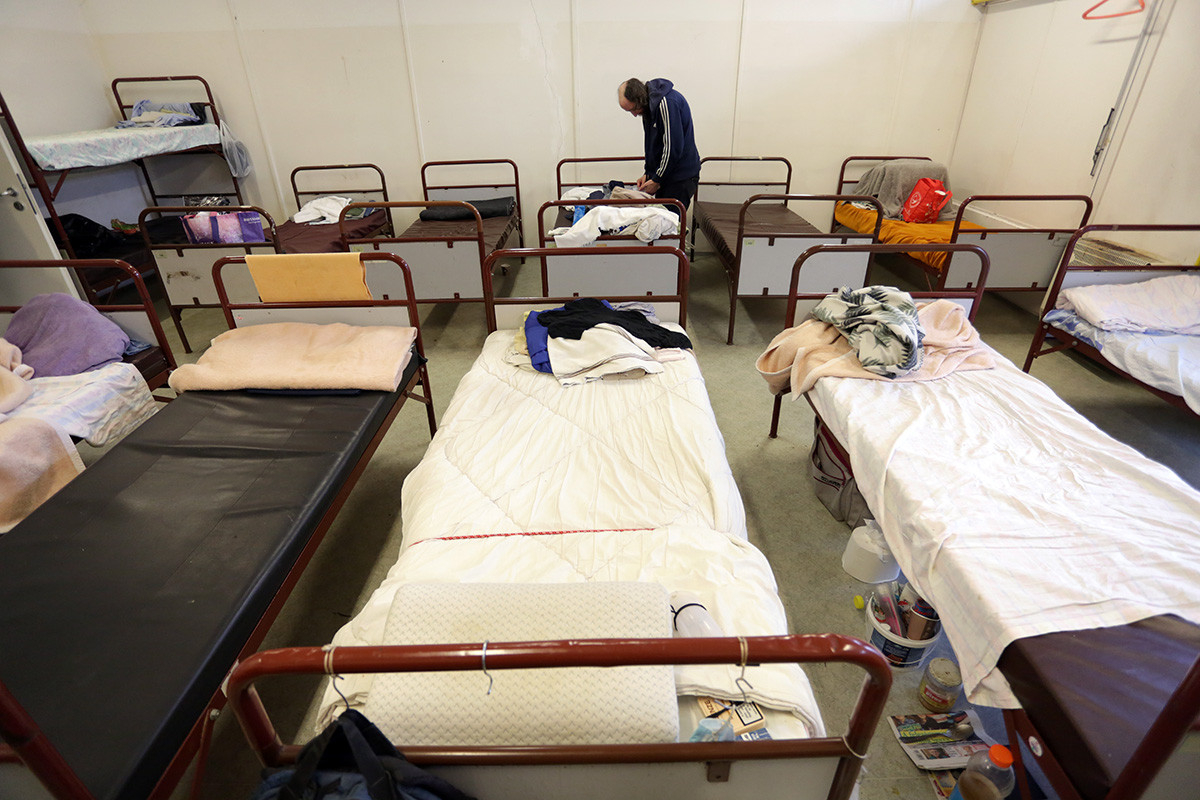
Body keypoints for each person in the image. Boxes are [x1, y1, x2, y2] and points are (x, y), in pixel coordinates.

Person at [617, 78, 701, 212]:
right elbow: (651, 145)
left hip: (680, 177)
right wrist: (648, 174)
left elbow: (672, 148)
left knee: (669, 221)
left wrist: (657, 180)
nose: (634, 114)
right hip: (668, 176)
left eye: (633, 109)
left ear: (640, 99)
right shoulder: (648, 107)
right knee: (660, 219)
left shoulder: (666, 104)